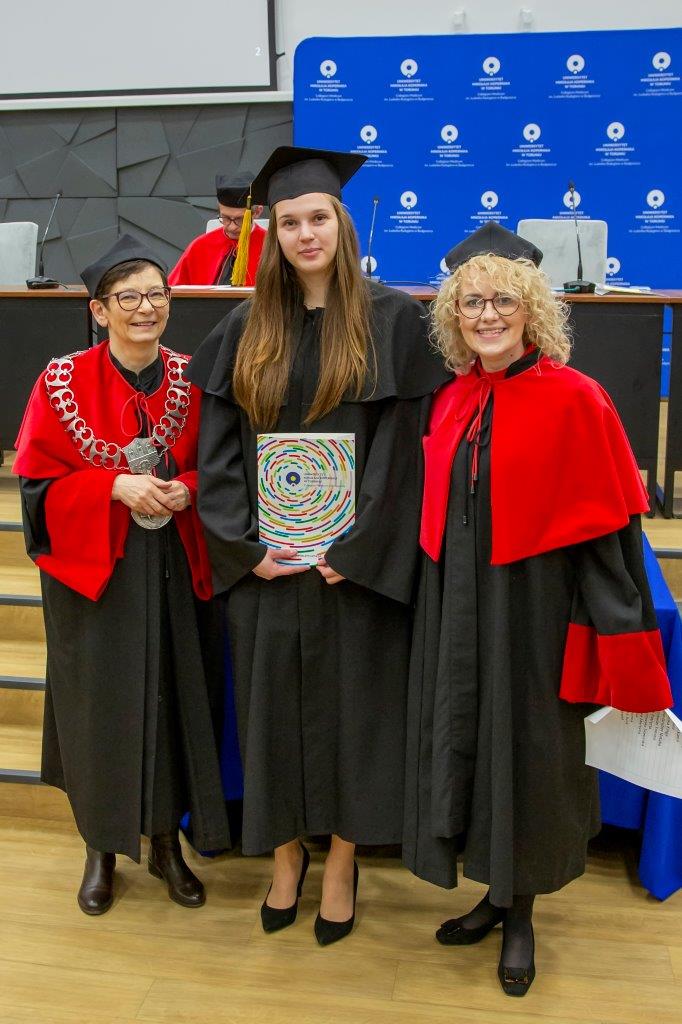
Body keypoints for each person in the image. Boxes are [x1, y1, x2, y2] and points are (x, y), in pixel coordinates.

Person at [402, 222, 673, 995]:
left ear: (532, 311)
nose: (487, 315)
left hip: (534, 615)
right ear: (453, 315)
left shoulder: (576, 399)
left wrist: (616, 635)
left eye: (504, 302)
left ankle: (521, 913)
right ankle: (493, 893)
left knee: (527, 755)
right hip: (460, 609)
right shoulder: (452, 398)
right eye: (472, 302)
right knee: (471, 745)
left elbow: (610, 537)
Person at [187, 146, 448, 945]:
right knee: (270, 717)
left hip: (354, 569)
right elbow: (216, 454)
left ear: (342, 223)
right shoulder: (245, 326)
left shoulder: (392, 320)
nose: (306, 234)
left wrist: (360, 547)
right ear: (272, 233)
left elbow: (403, 451)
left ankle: (341, 861)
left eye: (318, 219)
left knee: (356, 718)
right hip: (270, 566)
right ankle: (285, 856)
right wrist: (243, 547)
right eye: (290, 221)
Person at [13, 234, 230, 915]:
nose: (145, 308)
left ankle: (165, 843)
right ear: (99, 310)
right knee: (99, 708)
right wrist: (111, 487)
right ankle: (101, 848)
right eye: (128, 297)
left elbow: (226, 468)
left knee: (173, 696)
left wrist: (188, 488)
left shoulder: (194, 379)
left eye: (156, 294)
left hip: (175, 567)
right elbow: (35, 487)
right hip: (95, 575)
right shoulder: (60, 384)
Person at [168, 173, 266, 286]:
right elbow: (172, 290)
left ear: (257, 212)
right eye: (226, 218)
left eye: (240, 219)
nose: (232, 227)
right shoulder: (199, 247)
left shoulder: (271, 246)